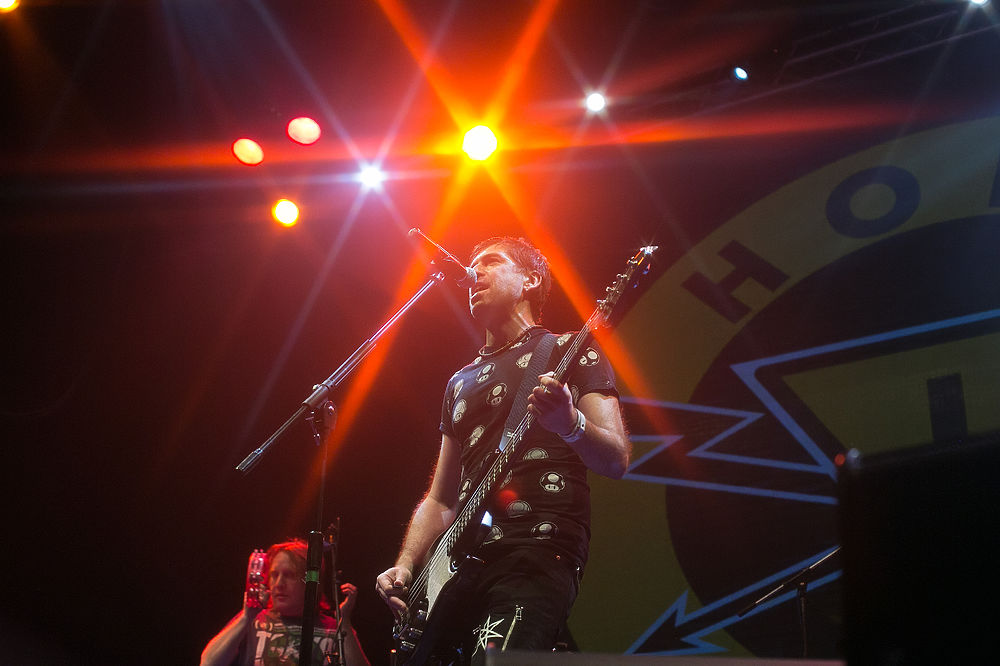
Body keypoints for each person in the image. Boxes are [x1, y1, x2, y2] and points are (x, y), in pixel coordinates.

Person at [376, 236, 629, 663]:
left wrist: (570, 424)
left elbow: (616, 459)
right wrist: (406, 563)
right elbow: (441, 499)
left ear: (530, 280)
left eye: (491, 262)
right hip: (457, 568)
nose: (474, 273)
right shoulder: (459, 382)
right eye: (472, 264)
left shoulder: (569, 349)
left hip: (534, 550)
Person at [202, 539, 370, 666]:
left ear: (309, 582)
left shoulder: (333, 627)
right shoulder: (252, 620)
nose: (278, 584)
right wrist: (246, 617)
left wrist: (344, 621)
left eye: (289, 575)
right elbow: (209, 662)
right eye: (274, 575)